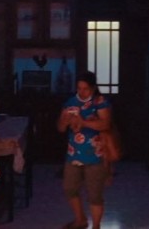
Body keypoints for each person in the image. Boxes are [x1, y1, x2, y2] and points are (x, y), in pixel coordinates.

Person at [57, 71, 112, 229]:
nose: (81, 92)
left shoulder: (100, 102)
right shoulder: (70, 102)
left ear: (93, 88)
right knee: (69, 188)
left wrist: (83, 122)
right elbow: (60, 128)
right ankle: (80, 219)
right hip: (73, 153)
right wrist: (64, 120)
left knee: (94, 194)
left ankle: (96, 226)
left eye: (85, 89)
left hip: (95, 155)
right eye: (79, 88)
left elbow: (105, 124)